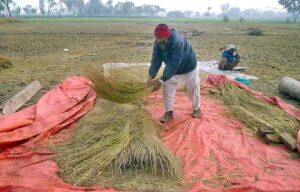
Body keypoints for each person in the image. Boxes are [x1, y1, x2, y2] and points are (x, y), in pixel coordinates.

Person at [147, 23, 201, 123]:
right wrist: (150, 78)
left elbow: (173, 63)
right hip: (173, 71)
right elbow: (156, 60)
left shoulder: (177, 42)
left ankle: (197, 109)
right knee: (167, 90)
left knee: (193, 90)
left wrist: (161, 80)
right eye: (156, 37)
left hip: (188, 67)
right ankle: (168, 112)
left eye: (160, 38)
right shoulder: (158, 42)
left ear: (167, 36)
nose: (157, 40)